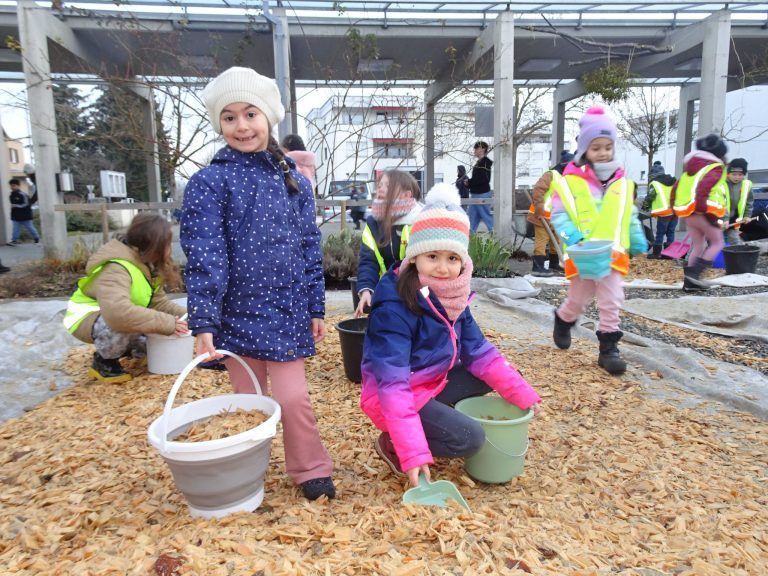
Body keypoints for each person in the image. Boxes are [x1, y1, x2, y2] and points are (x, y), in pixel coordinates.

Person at [180, 67, 335, 501]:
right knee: (247, 402)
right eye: (229, 117)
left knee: (293, 399)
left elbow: (309, 245)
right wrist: (204, 321)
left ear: (269, 118)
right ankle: (245, 472)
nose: (242, 126)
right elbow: (205, 254)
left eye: (250, 114)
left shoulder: (293, 182)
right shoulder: (210, 182)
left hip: (285, 312)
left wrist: (315, 306)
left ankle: (309, 468)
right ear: (219, 125)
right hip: (235, 312)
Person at [360, 183, 542, 488]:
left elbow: (480, 351)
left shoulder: (454, 296)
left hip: (430, 382)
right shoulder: (393, 305)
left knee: (490, 374)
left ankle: (432, 423)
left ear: (463, 262)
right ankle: (393, 442)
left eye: (452, 258)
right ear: (415, 257)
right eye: (432, 256)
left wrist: (522, 393)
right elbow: (393, 384)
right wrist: (414, 454)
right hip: (392, 394)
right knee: (471, 439)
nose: (443, 268)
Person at [550, 106, 648, 375]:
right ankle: (563, 319)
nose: (603, 152)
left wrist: (638, 240)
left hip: (612, 253)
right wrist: (575, 239)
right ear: (584, 150)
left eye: (608, 146)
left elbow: (629, 215)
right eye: (596, 147)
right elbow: (559, 217)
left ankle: (608, 349)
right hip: (583, 254)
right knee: (578, 300)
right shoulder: (571, 183)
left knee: (612, 299)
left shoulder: (623, 183)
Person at [62, 214, 187, 384]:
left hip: (116, 317)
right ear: (154, 245)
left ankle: (125, 349)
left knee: (150, 344)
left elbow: (159, 304)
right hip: (88, 319)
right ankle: (104, 363)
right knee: (126, 324)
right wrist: (168, 323)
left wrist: (189, 316)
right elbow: (117, 313)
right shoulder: (116, 267)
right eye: (167, 244)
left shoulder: (147, 265)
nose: (169, 250)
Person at [354, 169, 422, 318]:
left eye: (388, 185)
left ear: (407, 195)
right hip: (388, 291)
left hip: (421, 293)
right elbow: (368, 261)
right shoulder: (373, 223)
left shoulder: (422, 221)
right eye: (380, 185)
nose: (381, 189)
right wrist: (366, 290)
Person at [672, 134, 730, 292]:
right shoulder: (714, 167)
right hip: (704, 212)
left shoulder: (689, 170)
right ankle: (695, 275)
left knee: (699, 245)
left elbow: (675, 189)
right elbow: (704, 188)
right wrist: (710, 215)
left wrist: (673, 208)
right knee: (718, 242)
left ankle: (689, 284)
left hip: (688, 214)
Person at [527, 150, 573, 276]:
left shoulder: (567, 179)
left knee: (556, 241)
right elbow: (538, 190)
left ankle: (554, 264)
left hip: (555, 217)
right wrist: (539, 209)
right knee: (542, 241)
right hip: (541, 216)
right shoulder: (551, 175)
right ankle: (538, 267)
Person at [644, 171, 678, 259]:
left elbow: (650, 196)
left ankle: (656, 253)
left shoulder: (655, 183)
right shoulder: (673, 181)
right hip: (675, 211)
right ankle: (669, 254)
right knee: (671, 232)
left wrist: (645, 206)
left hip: (664, 213)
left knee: (660, 233)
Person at [724, 158, 753, 245]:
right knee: (712, 240)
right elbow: (719, 203)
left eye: (740, 174)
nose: (737, 177)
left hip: (734, 219)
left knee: (735, 240)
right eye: (734, 174)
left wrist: (747, 216)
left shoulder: (746, 185)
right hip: (719, 218)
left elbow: (749, 202)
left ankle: (736, 257)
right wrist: (724, 219)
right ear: (728, 173)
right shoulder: (721, 183)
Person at [466, 141, 494, 233]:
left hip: (482, 194)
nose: (474, 150)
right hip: (476, 193)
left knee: (485, 215)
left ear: (482, 149)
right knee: (472, 217)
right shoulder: (480, 163)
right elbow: (478, 179)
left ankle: (494, 234)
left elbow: (483, 180)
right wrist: (469, 183)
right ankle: (470, 237)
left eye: (476, 148)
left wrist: (470, 182)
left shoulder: (485, 164)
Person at [7, 178, 40, 245]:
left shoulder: (23, 194)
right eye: (11, 185)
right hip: (15, 216)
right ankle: (14, 240)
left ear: (18, 186)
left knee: (30, 227)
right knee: (15, 229)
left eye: (14, 185)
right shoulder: (11, 195)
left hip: (25, 215)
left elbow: (27, 204)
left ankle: (36, 238)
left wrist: (16, 206)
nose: (12, 187)